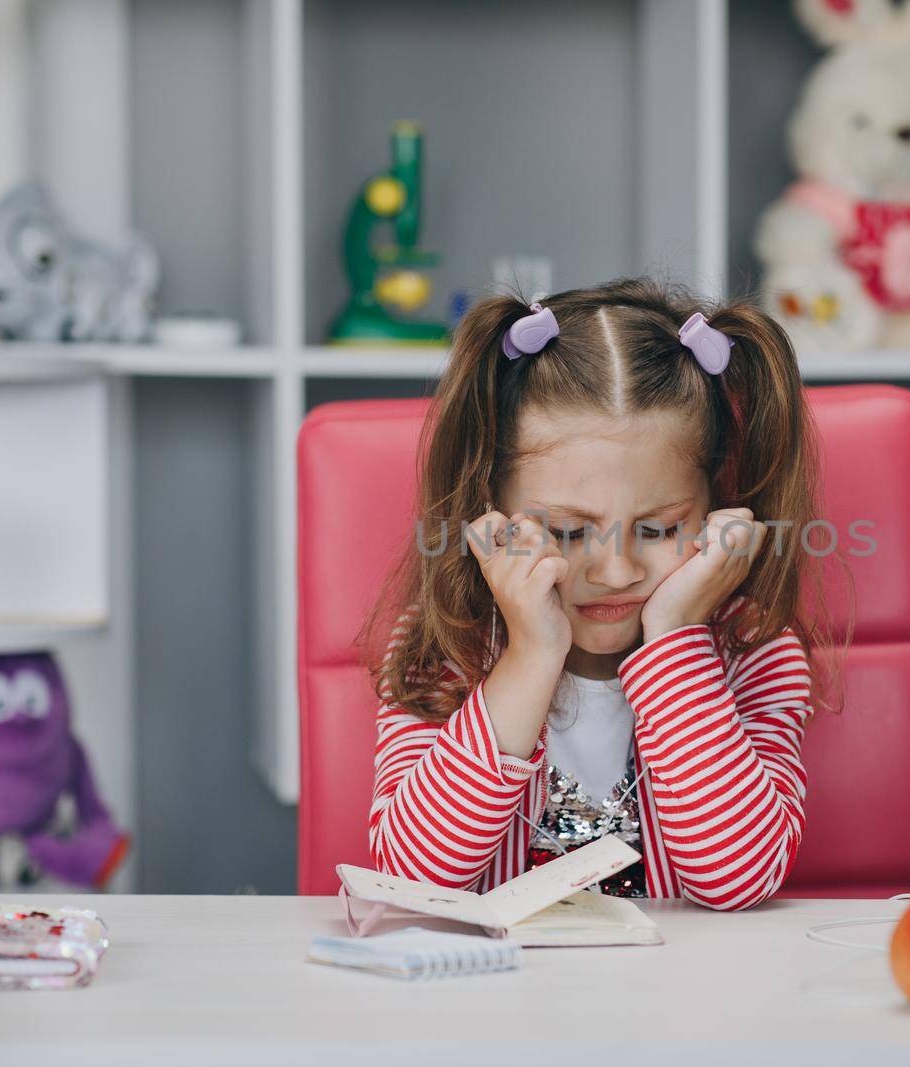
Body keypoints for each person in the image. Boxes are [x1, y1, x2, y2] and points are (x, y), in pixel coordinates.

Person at [362, 277, 846, 911]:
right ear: (490, 511)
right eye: (566, 530)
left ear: (718, 507)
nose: (616, 571)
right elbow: (410, 880)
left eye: (660, 528)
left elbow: (739, 880)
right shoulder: (447, 641)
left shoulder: (755, 650)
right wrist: (532, 654)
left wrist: (676, 636)